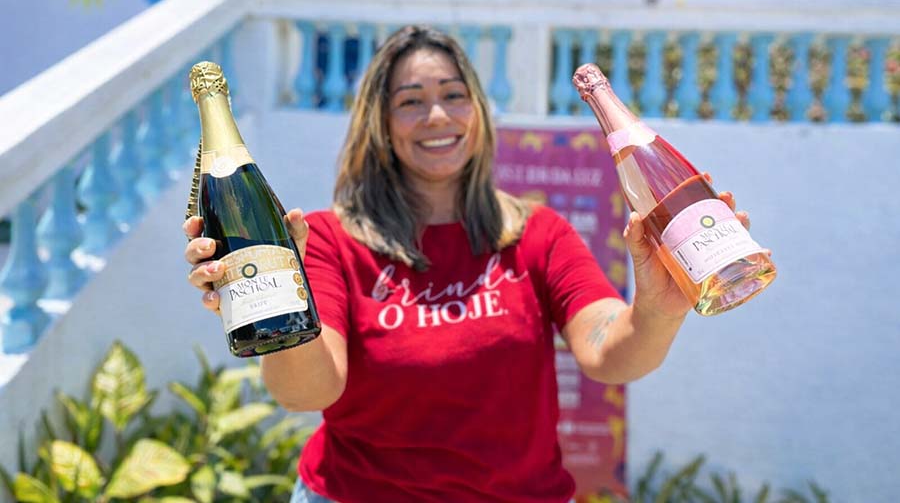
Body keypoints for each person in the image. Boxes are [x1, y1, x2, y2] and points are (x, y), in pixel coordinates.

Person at [184, 25, 752, 502]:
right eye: (410, 101)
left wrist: (658, 308)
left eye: (454, 95)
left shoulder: (538, 233)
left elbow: (609, 355)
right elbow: (307, 393)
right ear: (380, 123)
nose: (437, 115)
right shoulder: (330, 240)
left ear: (478, 110)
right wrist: (277, 311)